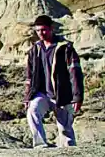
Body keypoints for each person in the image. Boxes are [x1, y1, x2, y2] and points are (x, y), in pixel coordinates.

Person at [24, 15, 83, 147]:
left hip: (62, 95)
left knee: (65, 130)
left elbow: (75, 73)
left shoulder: (65, 48)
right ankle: (40, 145)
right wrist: (27, 97)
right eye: (38, 30)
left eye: (44, 30)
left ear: (51, 29)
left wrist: (77, 97)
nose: (41, 33)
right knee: (32, 111)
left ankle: (71, 154)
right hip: (42, 93)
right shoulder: (35, 49)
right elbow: (29, 75)